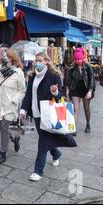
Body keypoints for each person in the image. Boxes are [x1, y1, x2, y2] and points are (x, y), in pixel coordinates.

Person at [19, 52, 77, 182]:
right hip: (36, 113)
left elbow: (60, 95)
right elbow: (29, 94)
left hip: (48, 113)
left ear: (46, 61)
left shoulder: (54, 75)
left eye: (40, 60)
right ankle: (56, 153)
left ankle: (38, 171)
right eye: (36, 60)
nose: (37, 62)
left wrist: (55, 92)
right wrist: (23, 109)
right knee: (45, 138)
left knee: (43, 142)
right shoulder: (33, 76)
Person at [0, 49, 26, 165]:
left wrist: (14, 100)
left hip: (9, 105)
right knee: (1, 126)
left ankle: (3, 153)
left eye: (5, 56)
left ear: (11, 58)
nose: (3, 58)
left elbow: (22, 90)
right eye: (3, 56)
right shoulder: (0, 69)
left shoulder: (18, 73)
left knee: (4, 126)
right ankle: (14, 139)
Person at [66, 48, 95, 134]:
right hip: (75, 90)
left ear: (82, 58)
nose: (78, 61)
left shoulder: (88, 67)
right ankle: (73, 127)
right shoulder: (71, 68)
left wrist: (90, 91)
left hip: (86, 90)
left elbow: (92, 80)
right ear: (74, 59)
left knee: (86, 108)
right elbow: (68, 81)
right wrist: (67, 90)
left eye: (80, 59)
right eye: (77, 59)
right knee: (75, 108)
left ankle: (88, 124)